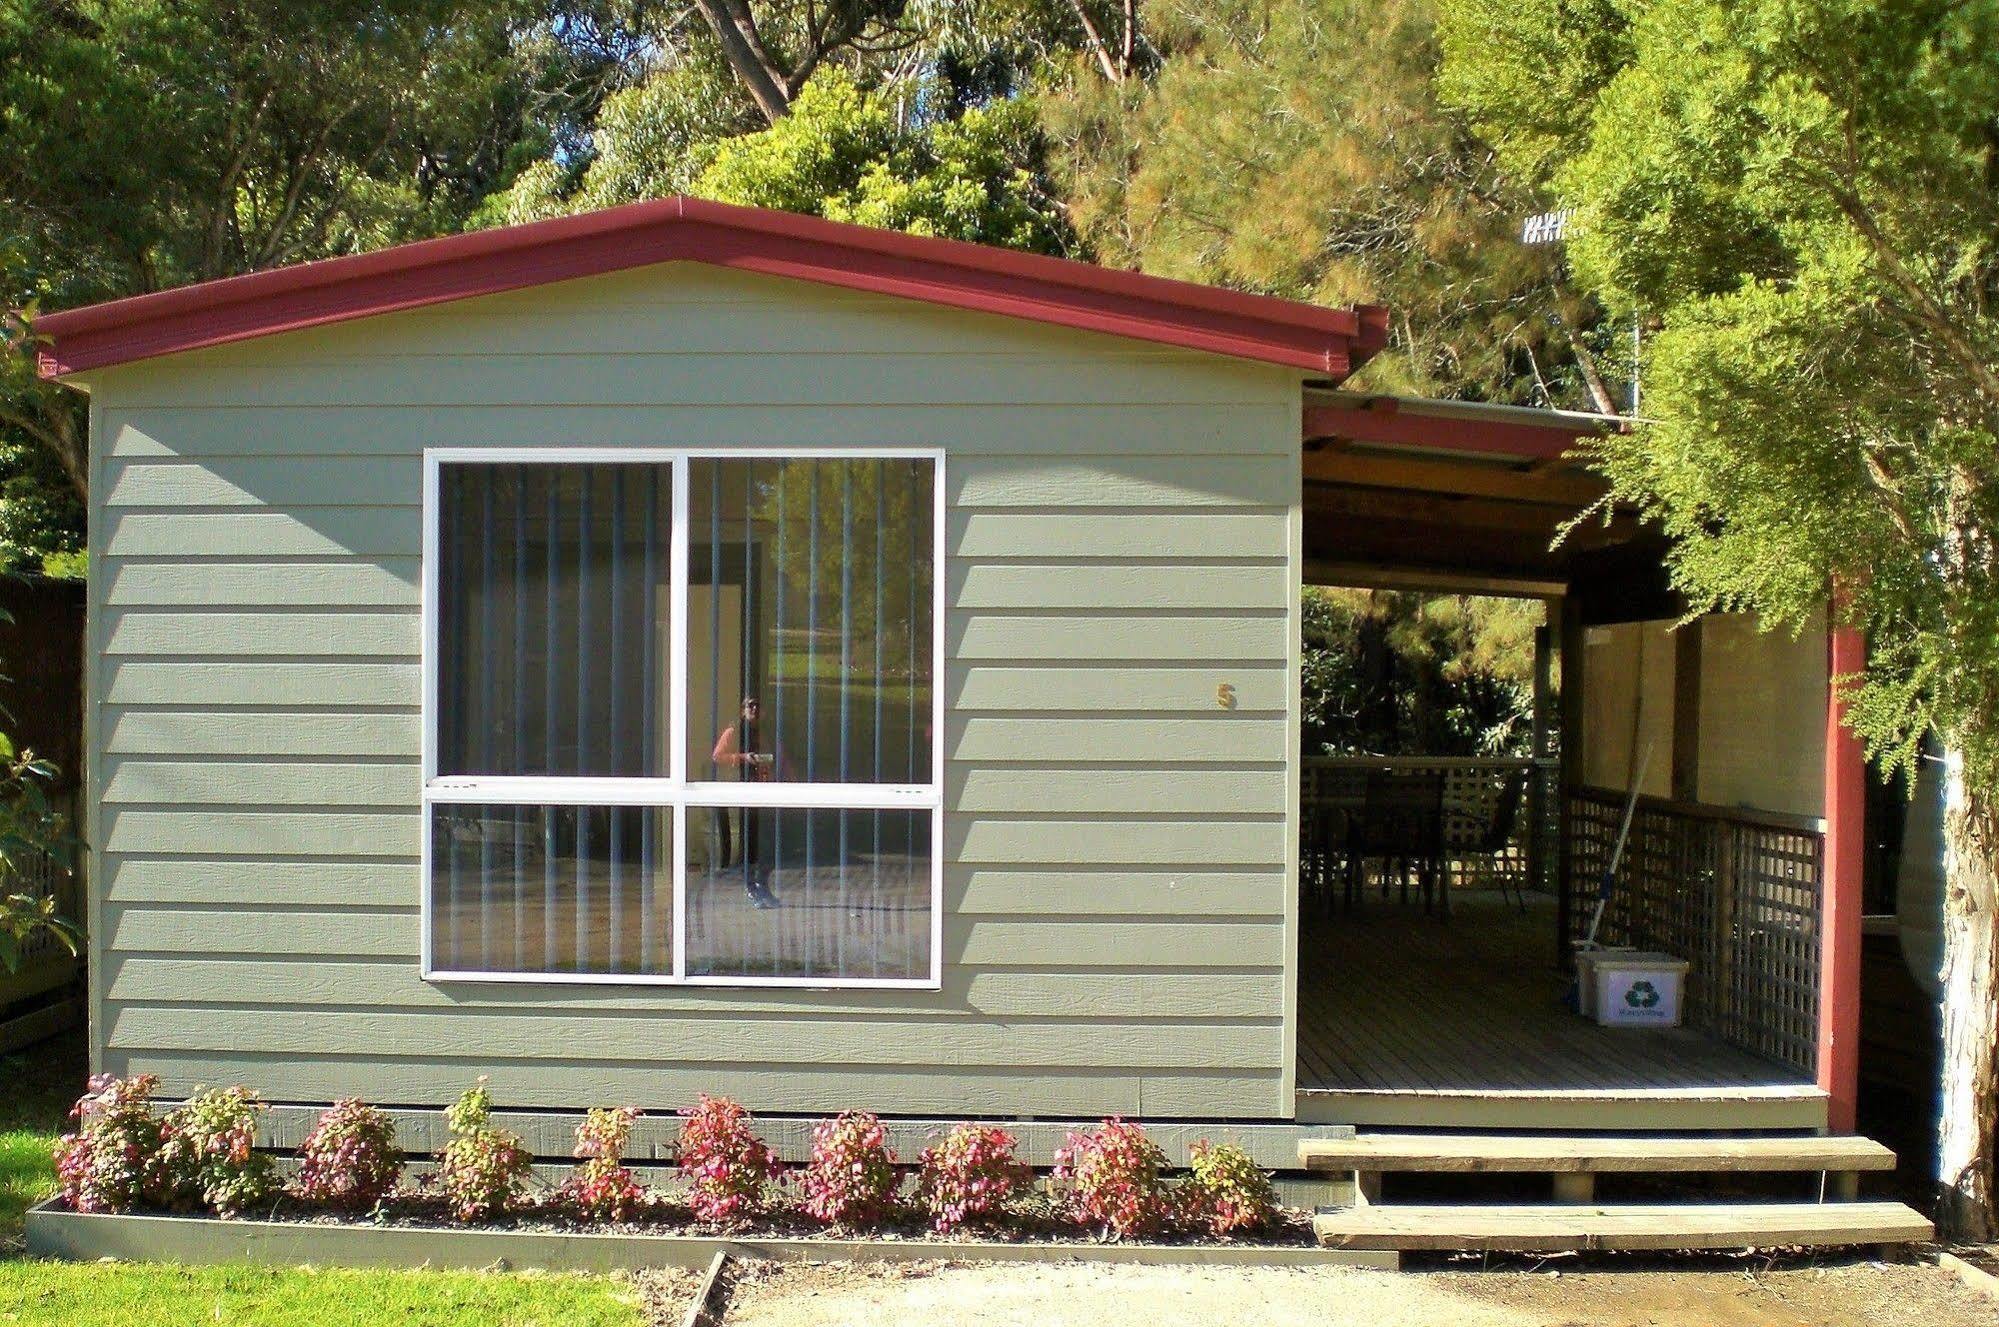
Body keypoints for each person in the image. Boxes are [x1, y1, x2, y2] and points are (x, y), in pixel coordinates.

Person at [712, 695, 781, 908]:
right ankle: (751, 887)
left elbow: (776, 757)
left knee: (766, 843)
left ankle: (763, 885)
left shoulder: (763, 733)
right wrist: (743, 758)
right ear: (742, 710)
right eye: (749, 705)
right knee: (750, 842)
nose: (753, 708)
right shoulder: (734, 732)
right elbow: (717, 756)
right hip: (742, 791)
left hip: (762, 792)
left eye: (756, 705)